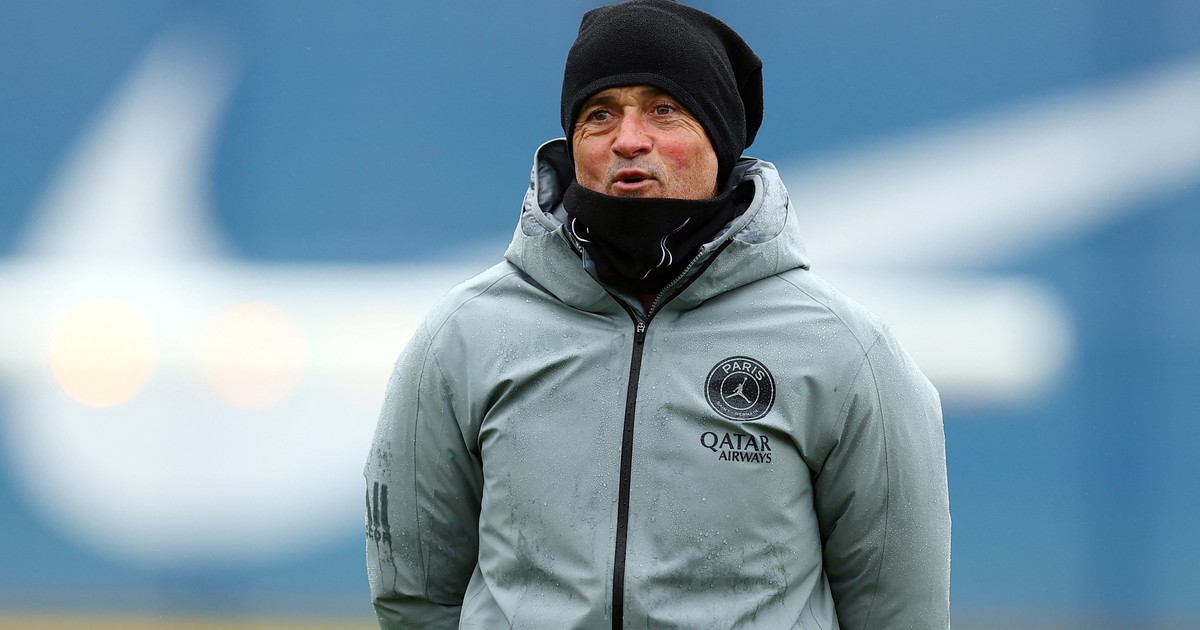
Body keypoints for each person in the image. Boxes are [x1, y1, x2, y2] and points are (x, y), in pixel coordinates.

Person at [364, 1, 951, 628]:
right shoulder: (466, 334)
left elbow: (900, 614)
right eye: (599, 114)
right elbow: (415, 598)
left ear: (719, 139)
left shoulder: (845, 351)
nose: (628, 139)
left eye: (664, 109)